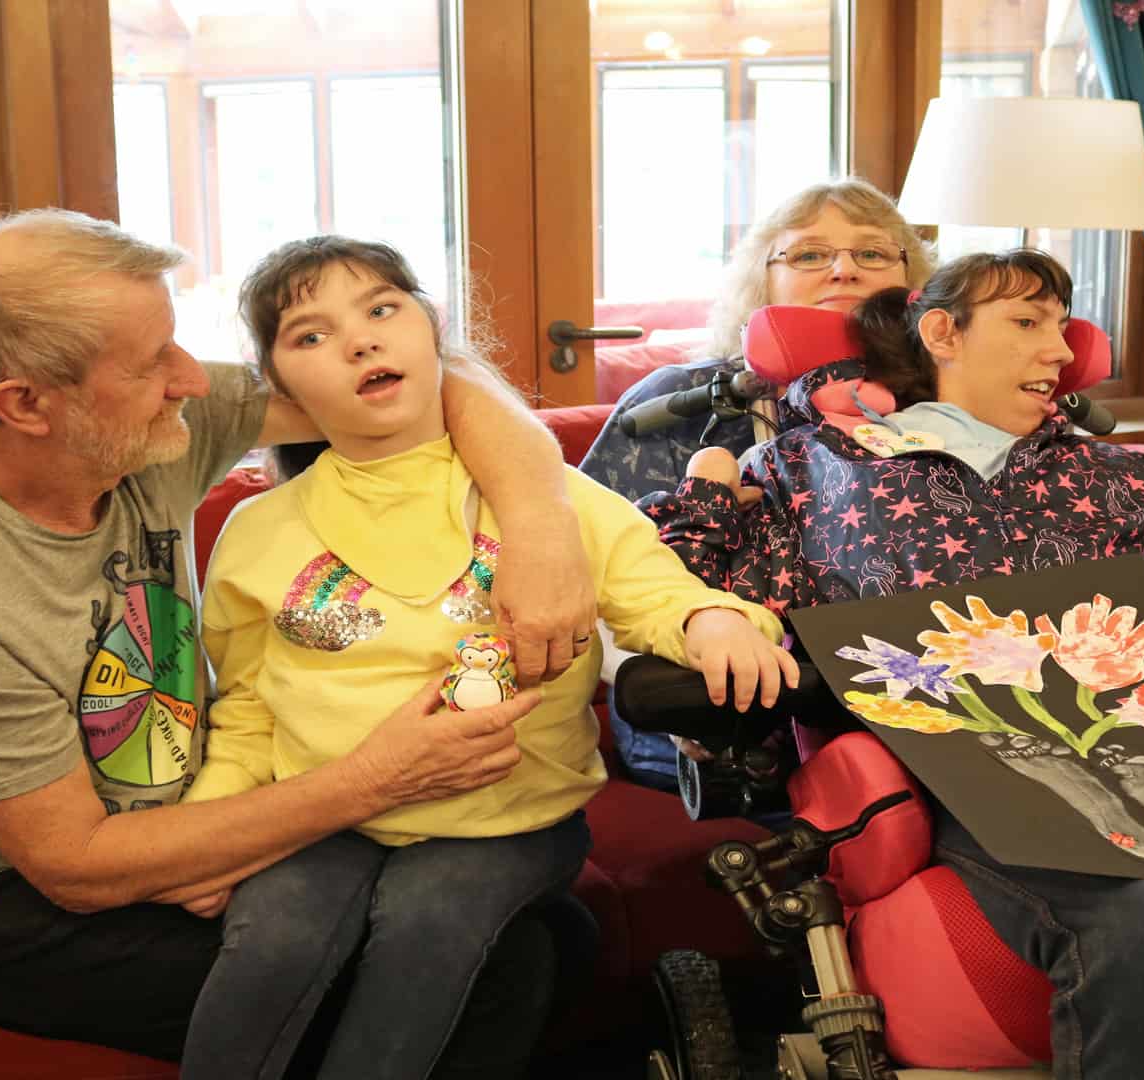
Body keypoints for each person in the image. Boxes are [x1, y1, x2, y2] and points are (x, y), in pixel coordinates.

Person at [642, 249, 1144, 1080]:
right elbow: (687, 602)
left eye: (1063, 329)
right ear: (942, 333)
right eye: (1028, 324)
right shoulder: (815, 468)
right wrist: (707, 487)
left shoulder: (1121, 475)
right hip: (974, 769)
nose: (1062, 353)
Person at [0, 209, 604, 1070]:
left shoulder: (131, 428)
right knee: (509, 966)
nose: (192, 380)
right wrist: (377, 776)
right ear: (25, 404)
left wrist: (541, 527)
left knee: (550, 934)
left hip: (192, 812)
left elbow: (418, 378)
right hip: (10, 910)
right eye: (152, 361)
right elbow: (78, 867)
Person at [179, 235, 795, 1079]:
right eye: (310, 335)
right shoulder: (259, 530)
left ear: (432, 330)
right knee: (276, 936)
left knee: (431, 917)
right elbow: (247, 705)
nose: (359, 340)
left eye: (381, 310)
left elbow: (656, 590)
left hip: (505, 820)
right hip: (325, 815)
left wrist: (716, 624)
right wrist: (210, 830)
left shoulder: (551, 499)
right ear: (281, 390)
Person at [578, 177, 934, 788]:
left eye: (872, 254)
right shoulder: (674, 402)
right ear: (760, 280)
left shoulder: (944, 404)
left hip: (909, 709)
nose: (843, 271)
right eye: (809, 254)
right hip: (700, 707)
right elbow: (586, 573)